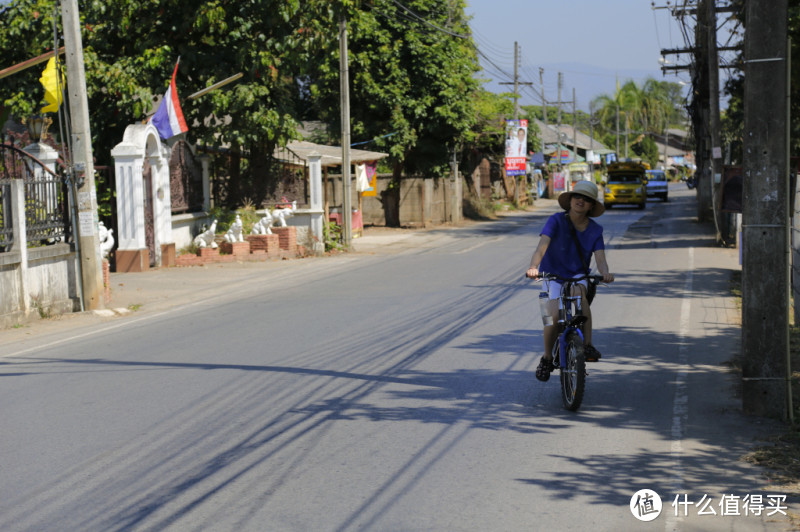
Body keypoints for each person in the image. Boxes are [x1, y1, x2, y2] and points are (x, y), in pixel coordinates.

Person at [525, 180, 615, 382]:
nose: (580, 201)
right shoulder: (555, 220)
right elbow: (542, 246)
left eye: (586, 199)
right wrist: (534, 268)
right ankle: (547, 357)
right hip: (552, 275)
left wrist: (606, 273)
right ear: (570, 200)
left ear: (591, 205)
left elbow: (600, 258)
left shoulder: (595, 230)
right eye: (577, 196)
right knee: (552, 317)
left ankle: (588, 344)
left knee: (578, 293)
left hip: (577, 275)